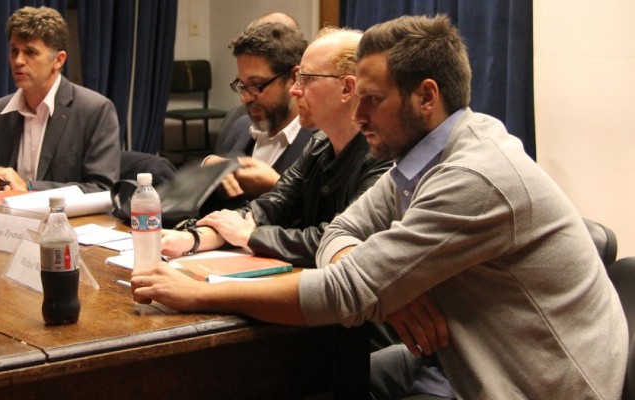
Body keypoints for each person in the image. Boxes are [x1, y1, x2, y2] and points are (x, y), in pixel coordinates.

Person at [130, 14, 627, 399]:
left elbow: (343, 293)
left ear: (426, 97)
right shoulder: (421, 157)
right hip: (473, 357)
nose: (359, 113)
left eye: (372, 99)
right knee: (303, 376)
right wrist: (384, 286)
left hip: (541, 386)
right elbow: (340, 232)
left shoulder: (473, 177)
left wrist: (200, 291)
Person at [162, 27, 391, 268]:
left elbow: (339, 239)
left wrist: (249, 236)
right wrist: (192, 238)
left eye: (307, 78)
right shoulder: (319, 145)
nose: (295, 89)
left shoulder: (385, 155)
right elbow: (268, 207)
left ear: (347, 88)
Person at [0, 6, 120, 194]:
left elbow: (101, 189)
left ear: (58, 60)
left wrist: (29, 188)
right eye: (14, 51)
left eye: (30, 52)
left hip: (68, 222)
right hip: (10, 220)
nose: (18, 61)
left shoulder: (95, 110)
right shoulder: (0, 111)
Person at [203, 22, 313, 210]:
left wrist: (277, 187)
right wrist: (207, 168)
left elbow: (327, 223)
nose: (244, 97)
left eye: (256, 84)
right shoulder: (239, 127)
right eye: (241, 84)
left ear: (294, 78)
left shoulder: (321, 142)